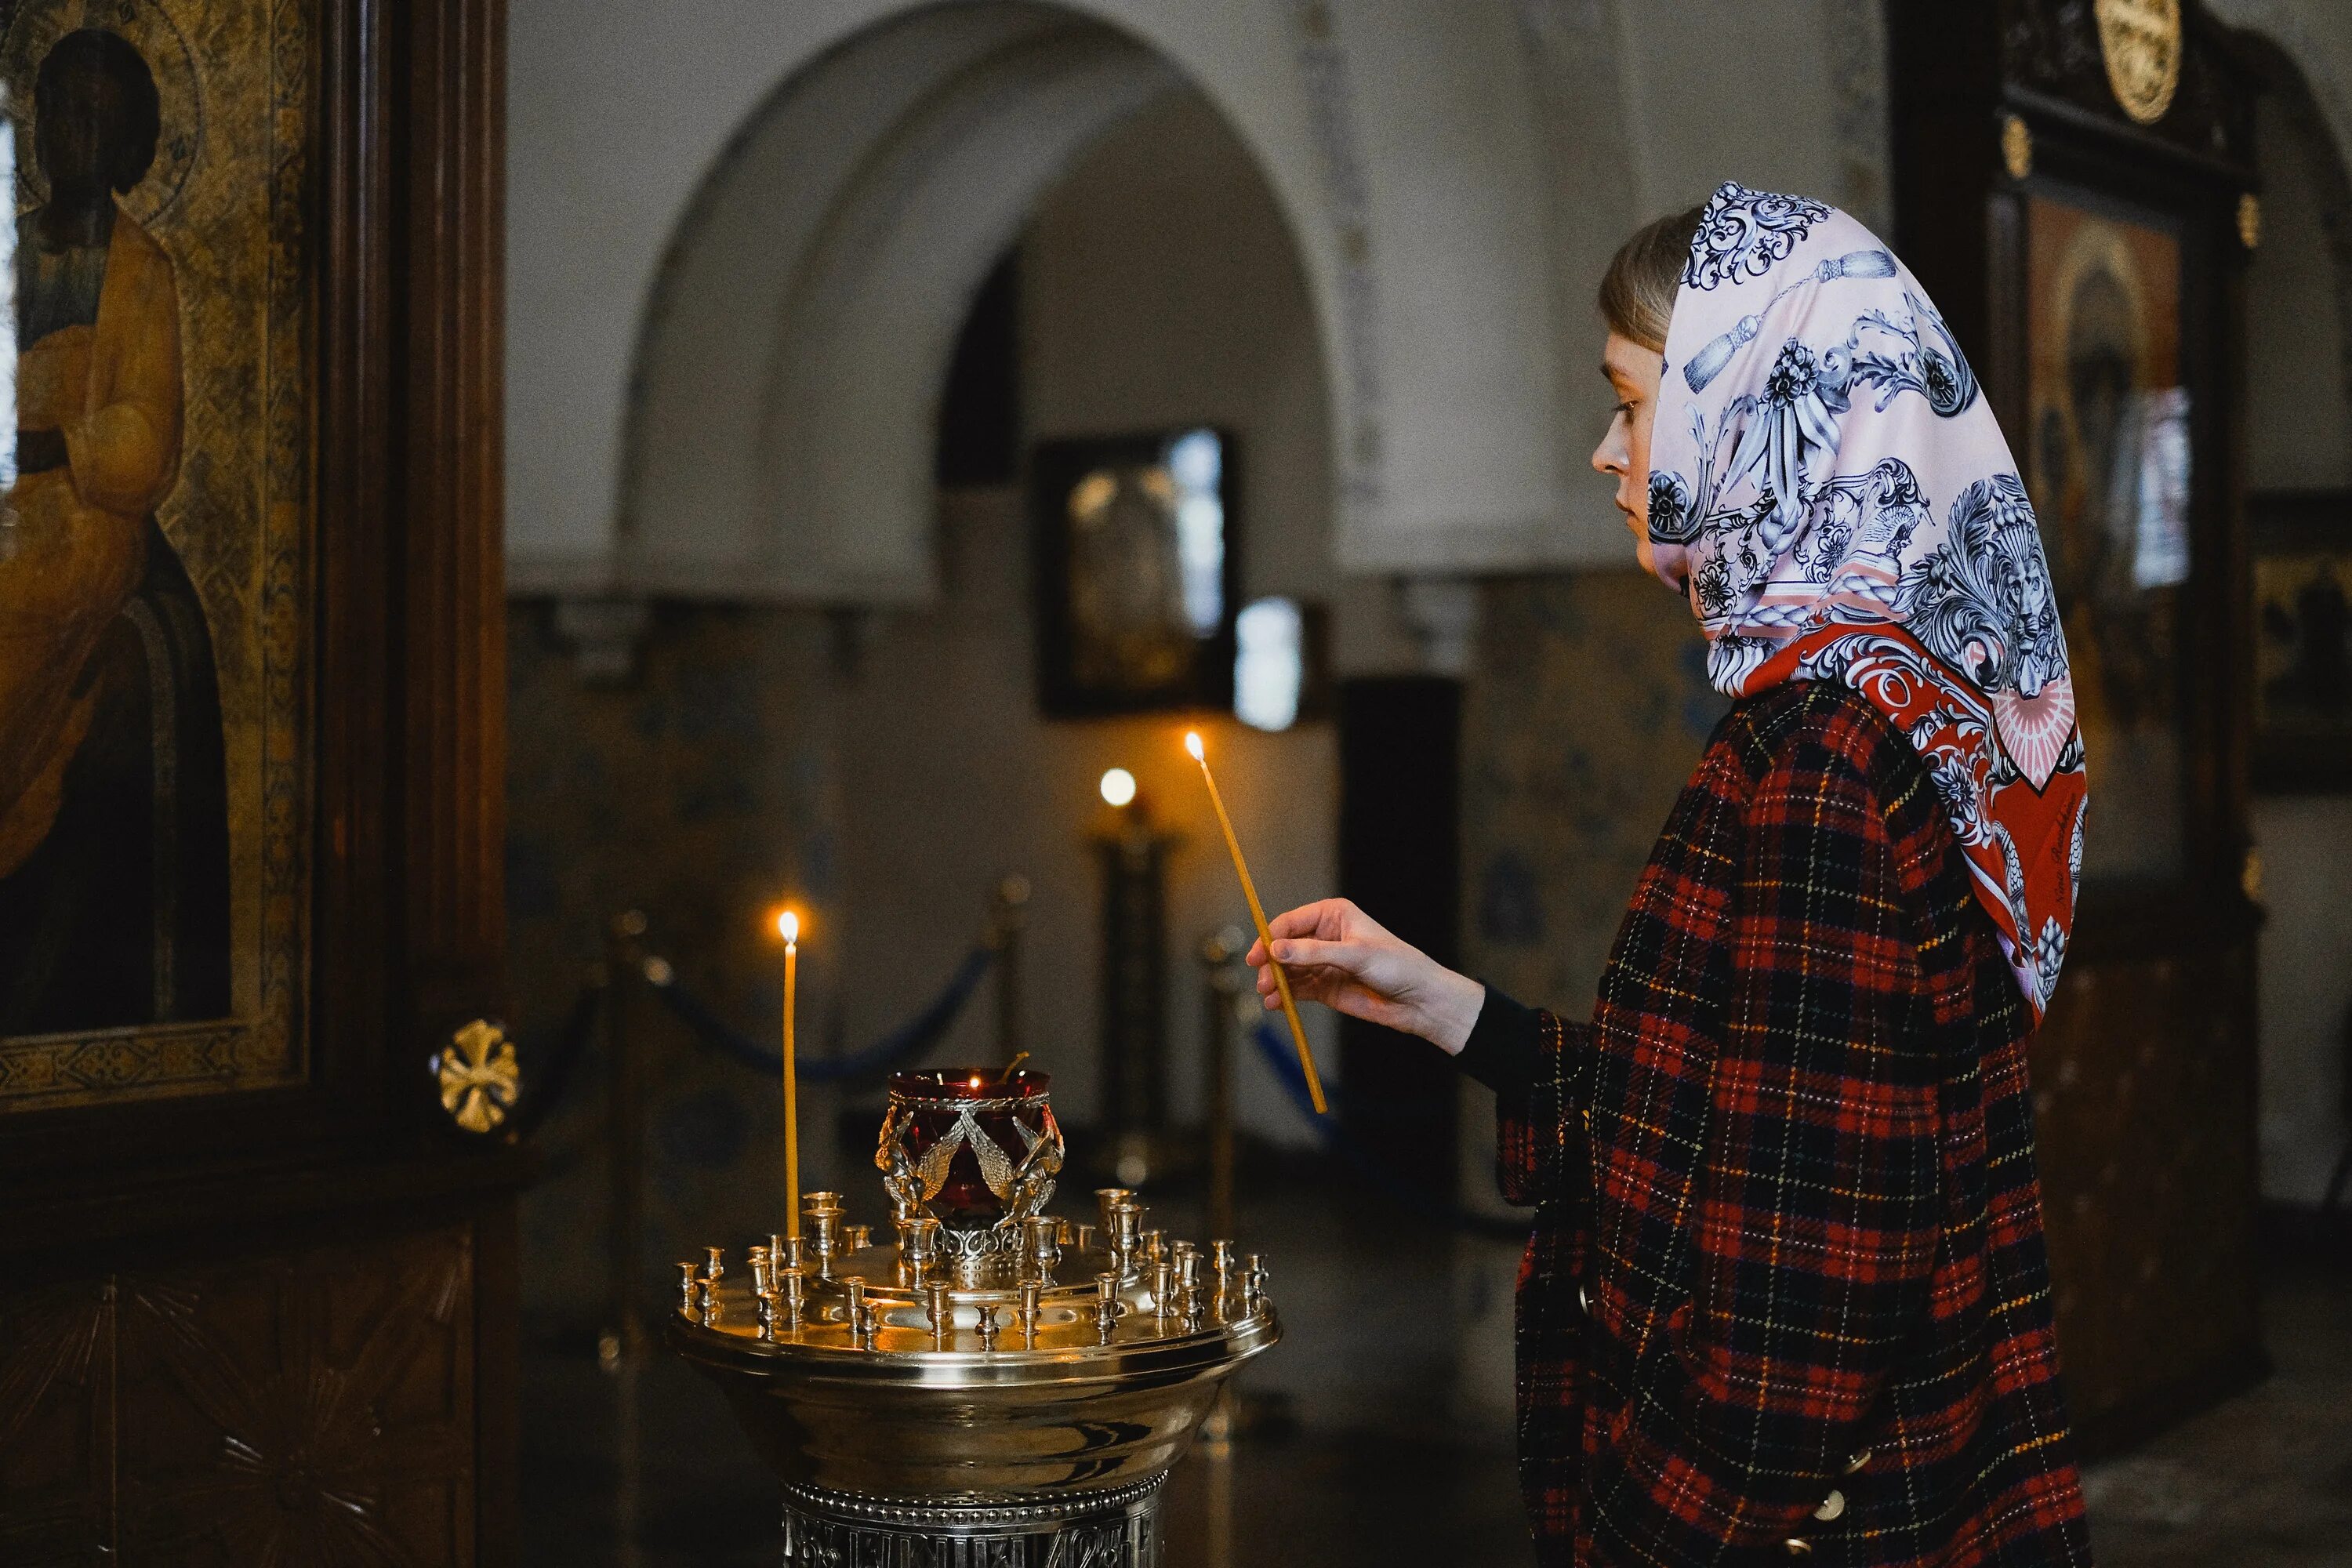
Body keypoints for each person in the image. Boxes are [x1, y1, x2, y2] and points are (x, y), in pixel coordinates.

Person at [1249, 183, 2093, 1565]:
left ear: (1764, 412)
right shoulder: (1874, 700)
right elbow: (1731, 1133)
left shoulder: (1826, 761)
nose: (1605, 450)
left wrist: (1633, 1542)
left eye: (1634, 404)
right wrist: (1446, 1008)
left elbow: (1797, 1335)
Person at [0, 27, 229, 1032]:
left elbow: (147, 443)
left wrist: (55, 433)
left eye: (94, 117)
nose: (69, 133)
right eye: (55, 111)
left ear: (132, 142)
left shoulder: (142, 273)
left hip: (81, 532)